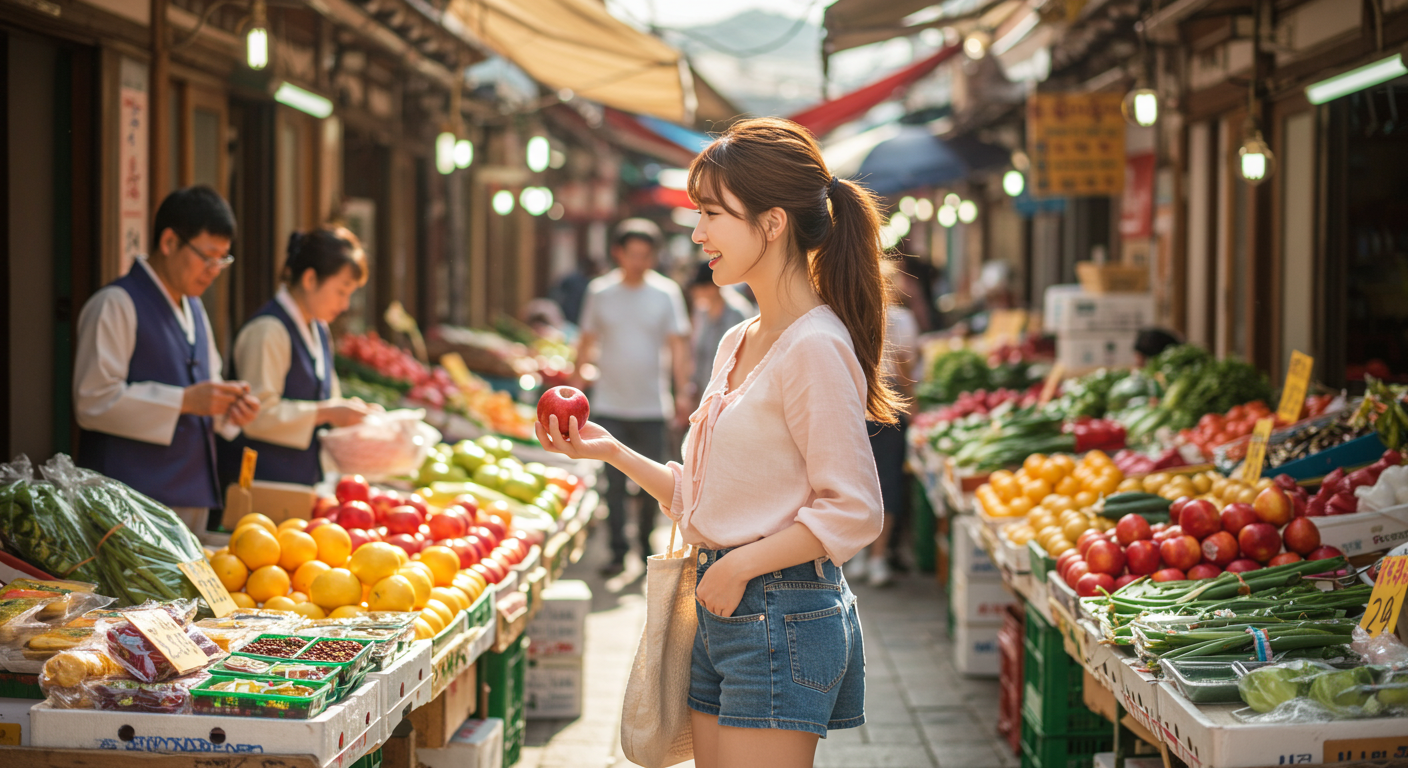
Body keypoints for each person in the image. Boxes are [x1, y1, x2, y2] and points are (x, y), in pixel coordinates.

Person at [537, 117, 893, 768]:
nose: (697, 232)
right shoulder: (739, 340)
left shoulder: (813, 346)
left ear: (773, 222)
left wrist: (738, 565)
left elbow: (854, 508)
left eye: (712, 213)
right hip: (725, 605)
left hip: (778, 611)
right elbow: (703, 499)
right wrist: (611, 451)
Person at [74, 186, 260, 534]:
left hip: (193, 491)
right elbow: (93, 400)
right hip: (128, 500)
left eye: (222, 259)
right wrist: (185, 401)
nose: (214, 270)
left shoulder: (195, 309)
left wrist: (230, 409)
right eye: (207, 256)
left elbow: (209, 393)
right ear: (169, 242)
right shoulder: (116, 303)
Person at [576, 219, 692, 576]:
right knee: (611, 486)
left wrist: (683, 391)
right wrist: (575, 386)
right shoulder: (600, 292)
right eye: (633, 254)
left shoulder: (666, 293)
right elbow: (586, 341)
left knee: (650, 485)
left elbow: (678, 346)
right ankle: (616, 551)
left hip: (651, 405)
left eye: (646, 255)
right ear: (618, 253)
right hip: (608, 403)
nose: (639, 261)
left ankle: (645, 548)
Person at [219, 228, 376, 487]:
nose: (346, 304)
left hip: (301, 483)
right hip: (261, 485)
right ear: (310, 279)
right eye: (341, 291)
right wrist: (328, 412)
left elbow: (328, 400)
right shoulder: (268, 330)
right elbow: (257, 415)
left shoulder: (319, 329)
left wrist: (350, 412)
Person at [849, 262, 920, 587]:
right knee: (887, 484)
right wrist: (914, 405)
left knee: (857, 481)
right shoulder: (901, 319)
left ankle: (862, 553)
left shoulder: (848, 315)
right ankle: (877, 557)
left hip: (854, 406)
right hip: (888, 408)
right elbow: (906, 371)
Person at [687, 259, 755, 410]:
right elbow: (697, 354)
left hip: (730, 398)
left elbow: (744, 356)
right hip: (704, 395)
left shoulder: (738, 312)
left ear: (712, 287)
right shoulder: (701, 312)